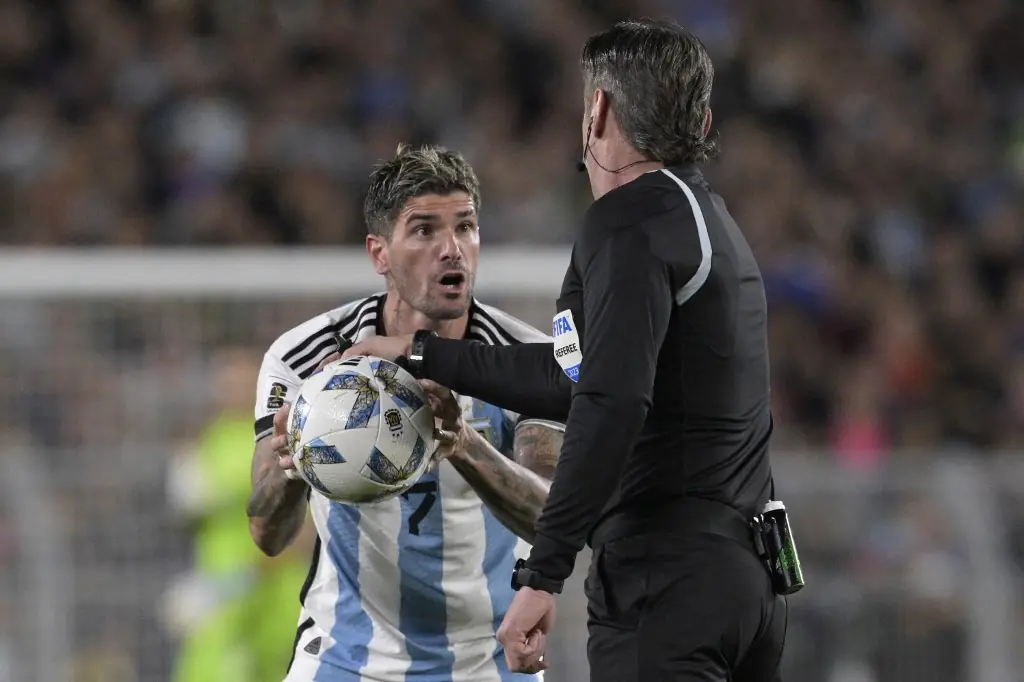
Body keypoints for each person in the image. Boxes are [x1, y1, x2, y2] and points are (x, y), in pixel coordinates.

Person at [343, 19, 789, 682]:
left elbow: (610, 401)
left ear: (598, 110)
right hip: (748, 581)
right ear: (701, 120)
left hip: (667, 583)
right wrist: (422, 354)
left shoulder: (628, 221)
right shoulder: (711, 222)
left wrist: (543, 571)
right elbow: (574, 376)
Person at [246, 144, 564, 682]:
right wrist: (291, 464)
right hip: (346, 657)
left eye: (465, 227)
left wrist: (465, 444)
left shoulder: (527, 361)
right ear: (380, 253)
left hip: (491, 659)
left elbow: (556, 522)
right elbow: (266, 536)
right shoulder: (308, 359)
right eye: (424, 231)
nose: (452, 249)